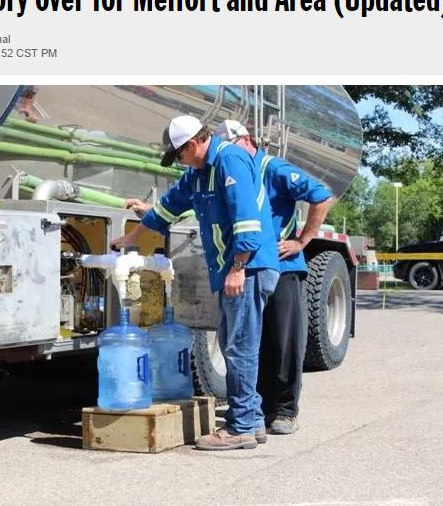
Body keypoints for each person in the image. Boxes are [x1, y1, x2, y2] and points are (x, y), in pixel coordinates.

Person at [112, 115, 280, 451]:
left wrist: (237, 268)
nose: (179, 162)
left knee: (239, 347)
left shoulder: (229, 159)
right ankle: (254, 420)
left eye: (179, 155)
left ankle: (241, 427)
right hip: (235, 268)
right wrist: (130, 238)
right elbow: (165, 210)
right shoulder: (198, 173)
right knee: (239, 344)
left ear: (193, 144)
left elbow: (246, 220)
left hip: (248, 267)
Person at [214, 120, 334, 435]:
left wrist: (302, 240)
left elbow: (321, 196)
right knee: (251, 341)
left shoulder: (272, 168)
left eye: (228, 145)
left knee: (283, 341)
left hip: (282, 266)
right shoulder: (231, 171)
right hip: (250, 266)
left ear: (246, 140)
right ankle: (258, 406)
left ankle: (285, 409)